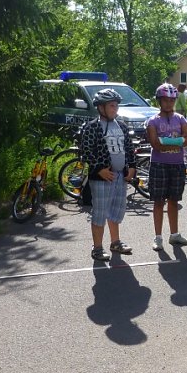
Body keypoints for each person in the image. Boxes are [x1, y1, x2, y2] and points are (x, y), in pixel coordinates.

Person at [78, 89, 136, 262]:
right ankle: (97, 248)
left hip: (120, 176)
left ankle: (115, 242)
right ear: (101, 107)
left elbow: (129, 149)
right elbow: (86, 152)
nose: (115, 109)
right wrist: (98, 169)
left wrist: (132, 167)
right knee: (100, 212)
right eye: (112, 105)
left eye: (116, 105)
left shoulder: (122, 126)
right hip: (102, 177)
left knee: (117, 211)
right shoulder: (92, 127)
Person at [145, 83, 187, 251]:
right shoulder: (153, 120)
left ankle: (174, 235)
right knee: (158, 201)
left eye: (172, 100)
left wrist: (167, 142)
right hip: (159, 164)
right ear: (159, 101)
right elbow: (154, 143)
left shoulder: (180, 119)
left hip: (177, 164)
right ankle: (158, 237)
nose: (169, 104)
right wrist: (177, 142)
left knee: (174, 200)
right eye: (165, 100)